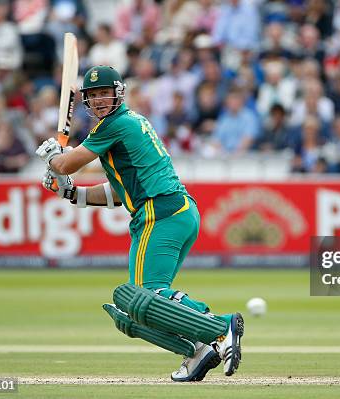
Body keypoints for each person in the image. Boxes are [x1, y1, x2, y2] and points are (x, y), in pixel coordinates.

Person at [35, 66, 243, 382]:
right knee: (139, 308)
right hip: (177, 212)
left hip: (158, 214)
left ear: (118, 93)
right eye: (93, 95)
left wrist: (52, 157)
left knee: (145, 296)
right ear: (87, 101)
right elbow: (119, 192)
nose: (100, 99)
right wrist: (73, 193)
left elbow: (67, 163)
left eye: (104, 92)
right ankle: (199, 349)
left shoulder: (114, 124)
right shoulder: (128, 124)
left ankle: (219, 325)